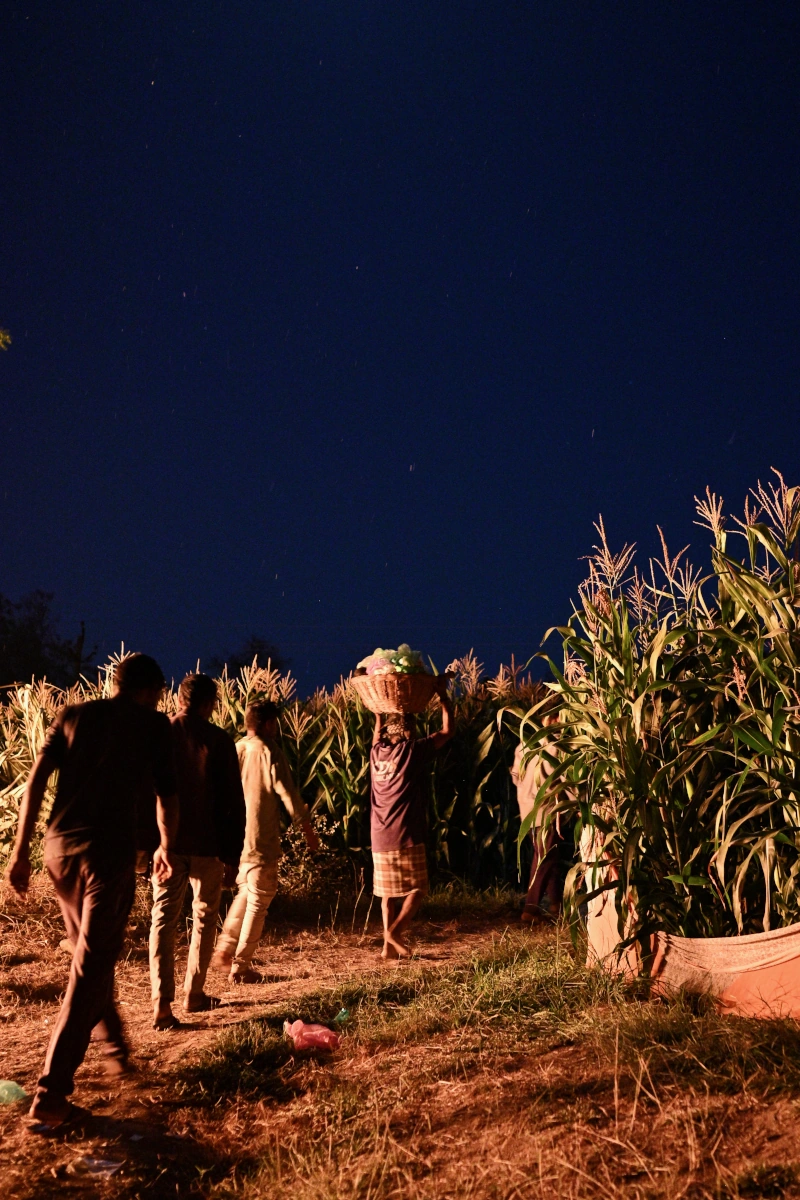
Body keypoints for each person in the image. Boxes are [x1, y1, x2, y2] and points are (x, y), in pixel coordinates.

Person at [3, 653, 178, 1128]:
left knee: (92, 953)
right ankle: (51, 1095)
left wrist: (20, 851)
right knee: (91, 964)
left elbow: (36, 780)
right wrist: (165, 845)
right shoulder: (153, 724)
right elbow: (168, 795)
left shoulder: (74, 714)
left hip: (58, 850)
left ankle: (117, 1050)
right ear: (150, 690)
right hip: (107, 852)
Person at [149, 673, 245, 1028]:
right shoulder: (219, 740)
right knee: (203, 918)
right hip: (208, 846)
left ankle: (161, 1003)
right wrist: (233, 856)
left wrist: (148, 848)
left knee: (163, 920)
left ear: (179, 700)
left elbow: (146, 792)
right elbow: (231, 804)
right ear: (208, 704)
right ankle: (194, 993)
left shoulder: (161, 733)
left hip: (168, 846)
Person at [212, 700, 318, 983]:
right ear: (269, 724)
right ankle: (241, 966)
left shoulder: (236, 749)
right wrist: (308, 831)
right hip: (261, 838)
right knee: (259, 900)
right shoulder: (269, 751)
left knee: (247, 892)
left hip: (237, 839)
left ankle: (224, 950)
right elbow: (289, 794)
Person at [370, 694, 454, 959]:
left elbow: (376, 738)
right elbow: (447, 731)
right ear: (408, 730)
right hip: (405, 832)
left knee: (387, 895)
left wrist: (378, 717)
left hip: (379, 835)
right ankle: (394, 933)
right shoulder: (412, 750)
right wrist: (444, 700)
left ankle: (388, 951)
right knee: (418, 888)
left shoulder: (376, 752)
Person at [511, 713, 564, 923]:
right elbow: (561, 777)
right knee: (544, 858)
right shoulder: (557, 746)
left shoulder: (524, 745)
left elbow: (516, 776)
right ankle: (530, 910)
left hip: (528, 808)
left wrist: (526, 793)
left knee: (550, 854)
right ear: (551, 721)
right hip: (547, 808)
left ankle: (556, 903)